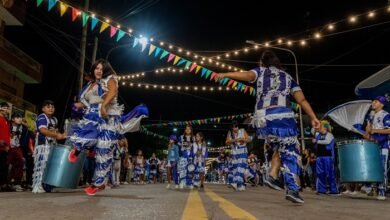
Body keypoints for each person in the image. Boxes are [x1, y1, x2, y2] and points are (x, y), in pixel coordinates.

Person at [215, 49, 320, 203]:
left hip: (263, 119)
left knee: (279, 147)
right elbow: (302, 101)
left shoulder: (260, 71)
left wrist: (225, 74)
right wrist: (313, 117)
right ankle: (292, 189)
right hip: (283, 117)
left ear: (262, 63)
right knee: (290, 151)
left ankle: (272, 175)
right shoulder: (288, 77)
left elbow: (246, 75)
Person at [68, 59, 148, 196]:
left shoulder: (110, 79)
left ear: (106, 70)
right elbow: (88, 102)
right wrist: (77, 106)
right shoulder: (89, 85)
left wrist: (104, 105)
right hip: (93, 117)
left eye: (101, 69)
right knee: (86, 136)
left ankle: (98, 184)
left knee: (103, 152)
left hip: (109, 119)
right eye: (96, 68)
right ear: (93, 70)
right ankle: (78, 149)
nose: (99, 71)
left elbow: (112, 92)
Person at [32, 100, 66, 193]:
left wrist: (62, 135)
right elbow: (43, 130)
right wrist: (57, 135)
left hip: (52, 146)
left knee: (51, 166)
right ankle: (37, 186)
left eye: (52, 107)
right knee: (41, 165)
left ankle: (48, 186)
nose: (51, 108)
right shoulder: (42, 117)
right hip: (43, 145)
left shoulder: (55, 119)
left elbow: (56, 132)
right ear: (43, 109)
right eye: (48, 106)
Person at [364, 96, 389, 200]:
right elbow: (368, 130)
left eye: (376, 101)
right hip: (373, 144)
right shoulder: (371, 115)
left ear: (382, 104)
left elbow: (389, 130)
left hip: (384, 144)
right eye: (373, 101)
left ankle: (382, 191)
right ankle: (370, 187)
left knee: (382, 167)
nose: (373, 103)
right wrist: (369, 123)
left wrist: (375, 131)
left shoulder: (386, 115)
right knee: (371, 165)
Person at [312, 120, 338, 195]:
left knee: (330, 173)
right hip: (320, 156)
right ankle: (321, 190)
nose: (320, 127)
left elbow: (326, 142)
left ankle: (333, 190)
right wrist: (315, 126)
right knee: (320, 173)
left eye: (321, 126)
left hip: (328, 157)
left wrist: (317, 141)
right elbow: (313, 131)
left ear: (325, 127)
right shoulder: (318, 134)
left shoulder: (329, 135)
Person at [225, 121, 250, 191]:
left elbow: (249, 139)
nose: (235, 128)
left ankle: (236, 182)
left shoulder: (242, 130)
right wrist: (234, 140)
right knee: (236, 169)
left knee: (240, 167)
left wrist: (242, 139)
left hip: (243, 151)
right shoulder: (230, 133)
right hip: (234, 152)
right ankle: (240, 185)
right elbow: (226, 142)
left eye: (236, 127)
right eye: (233, 127)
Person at [8, 112, 29, 192]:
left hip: (17, 147)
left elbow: (24, 140)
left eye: (20, 117)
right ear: (13, 119)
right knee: (6, 164)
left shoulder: (24, 128)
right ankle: (6, 182)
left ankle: (17, 183)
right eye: (17, 117)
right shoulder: (8, 124)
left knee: (20, 162)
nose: (20, 119)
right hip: (7, 147)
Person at [178, 125, 195, 189]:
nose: (188, 130)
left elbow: (194, 147)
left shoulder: (193, 138)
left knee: (190, 170)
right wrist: (184, 146)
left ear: (191, 130)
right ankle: (182, 182)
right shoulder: (181, 137)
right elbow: (179, 144)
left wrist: (191, 154)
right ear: (185, 130)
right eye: (186, 129)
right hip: (183, 155)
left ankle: (189, 183)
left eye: (189, 129)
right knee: (182, 169)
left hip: (190, 155)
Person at [0, 102, 11, 191]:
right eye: (4, 107)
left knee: (4, 166)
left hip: (5, 147)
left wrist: (8, 145)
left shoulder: (7, 120)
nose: (6, 109)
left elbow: (7, 134)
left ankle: (3, 184)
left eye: (7, 108)